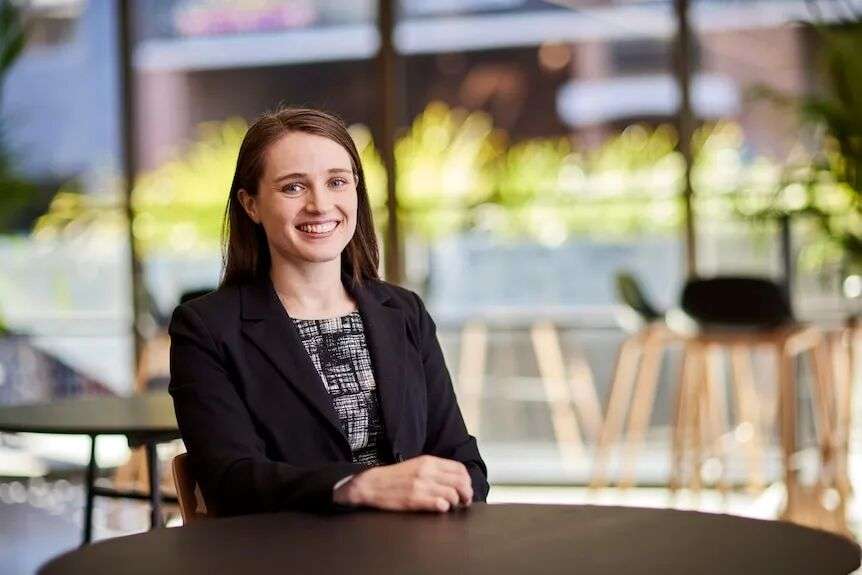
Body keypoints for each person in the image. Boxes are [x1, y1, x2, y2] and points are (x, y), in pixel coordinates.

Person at [168, 107, 489, 517]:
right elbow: (231, 481)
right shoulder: (207, 328)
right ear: (251, 205)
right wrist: (358, 485)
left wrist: (458, 487)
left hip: (416, 549)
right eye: (293, 188)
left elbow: (462, 460)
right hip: (292, 555)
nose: (320, 205)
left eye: (336, 182)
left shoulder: (403, 310)